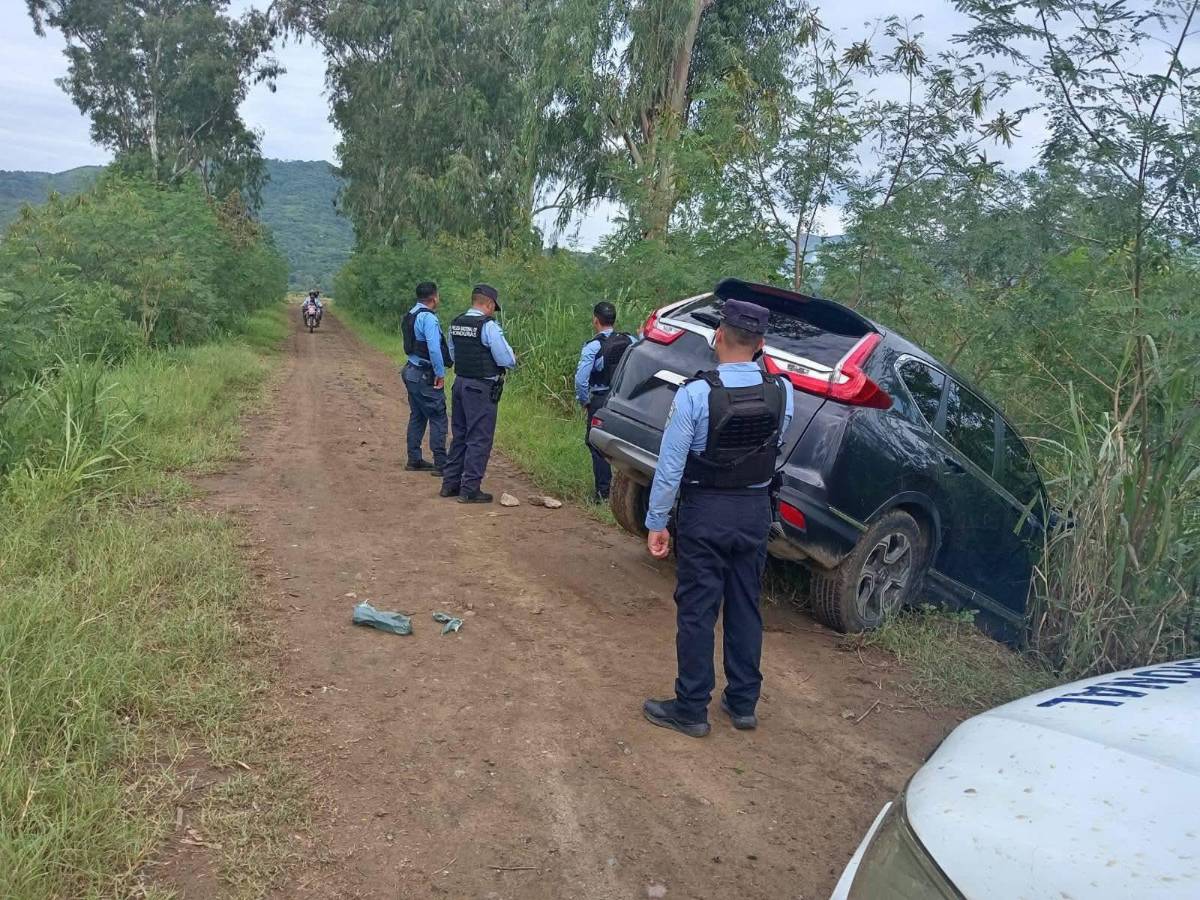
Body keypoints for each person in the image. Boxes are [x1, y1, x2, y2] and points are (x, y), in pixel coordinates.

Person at [641, 298, 793, 738]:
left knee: (697, 610)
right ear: (761, 344)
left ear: (718, 337)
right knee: (746, 604)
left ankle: (691, 708)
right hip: (753, 513)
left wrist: (656, 522)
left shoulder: (695, 394)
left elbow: (671, 466)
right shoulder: (783, 392)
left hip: (705, 511)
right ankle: (743, 702)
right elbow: (774, 448)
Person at [439, 283, 517, 503]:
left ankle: (450, 484)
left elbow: (452, 354)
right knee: (479, 439)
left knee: (460, 436)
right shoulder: (488, 326)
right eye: (494, 307)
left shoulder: (456, 323)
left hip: (460, 384)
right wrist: (513, 358)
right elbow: (505, 359)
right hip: (480, 388)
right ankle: (470, 489)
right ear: (489, 304)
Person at [574, 301, 633, 502]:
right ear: (614, 320)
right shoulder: (630, 340)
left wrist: (584, 401)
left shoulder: (593, 346)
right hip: (624, 400)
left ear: (595, 320)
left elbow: (581, 379)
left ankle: (603, 493)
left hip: (600, 400)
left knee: (596, 444)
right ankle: (627, 494)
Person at [401, 281, 452, 474]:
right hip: (424, 373)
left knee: (418, 415)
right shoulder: (428, 318)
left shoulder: (411, 314)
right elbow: (434, 348)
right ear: (433, 297)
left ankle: (414, 459)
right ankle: (441, 463)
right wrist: (440, 374)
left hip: (410, 369)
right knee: (438, 416)